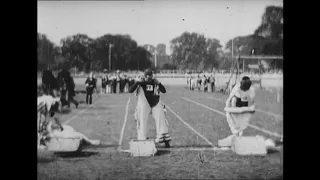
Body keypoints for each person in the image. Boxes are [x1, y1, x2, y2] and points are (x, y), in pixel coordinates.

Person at [129, 69, 171, 148]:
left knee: (161, 118)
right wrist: (137, 82)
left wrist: (159, 83)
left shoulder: (155, 82)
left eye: (150, 78)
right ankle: (142, 137)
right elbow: (130, 90)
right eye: (148, 78)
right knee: (142, 119)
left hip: (155, 102)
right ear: (144, 77)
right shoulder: (141, 82)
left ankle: (163, 138)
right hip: (144, 103)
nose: (149, 80)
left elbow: (164, 91)